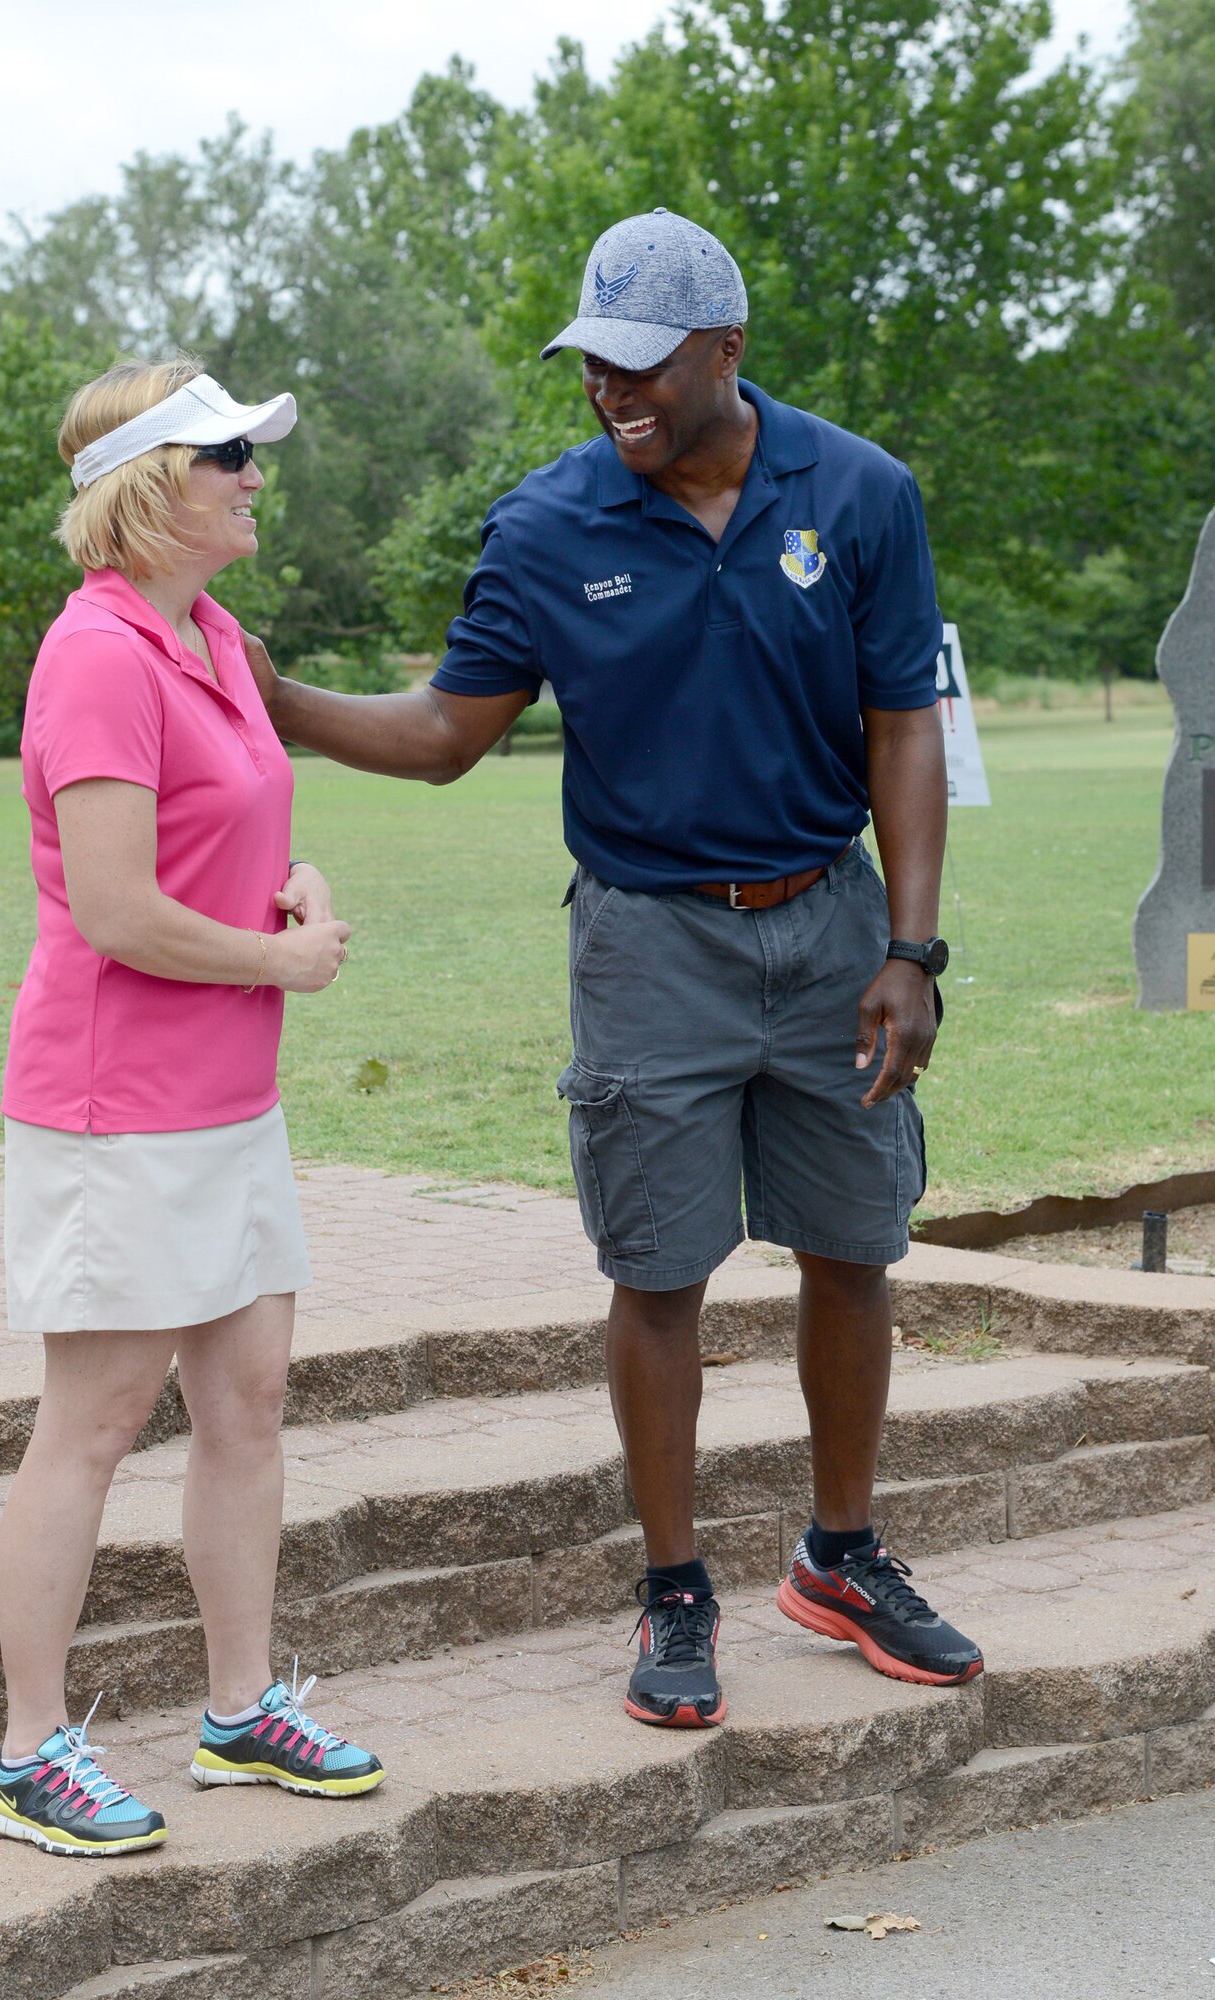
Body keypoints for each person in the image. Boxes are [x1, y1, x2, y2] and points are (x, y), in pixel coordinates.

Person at [240, 211, 983, 1731]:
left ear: (725, 350)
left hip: (831, 920)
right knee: (657, 1271)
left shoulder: (857, 494)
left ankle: (840, 1557)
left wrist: (908, 947)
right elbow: (450, 735)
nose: (609, 393)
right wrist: (284, 698)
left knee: (853, 1247)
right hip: (649, 939)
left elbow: (901, 720)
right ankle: (673, 1591)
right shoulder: (545, 524)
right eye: (591, 365)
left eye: (640, 365)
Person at [0, 356, 385, 1860]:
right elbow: (113, 914)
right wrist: (285, 956)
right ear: (149, 489)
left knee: (249, 1402)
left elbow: (229, 837)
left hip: (229, 1095)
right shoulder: (94, 654)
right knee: (88, 1426)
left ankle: (239, 1710)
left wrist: (303, 893)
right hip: (114, 1106)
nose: (253, 477)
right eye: (227, 456)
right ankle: (27, 1752)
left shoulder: (215, 635)